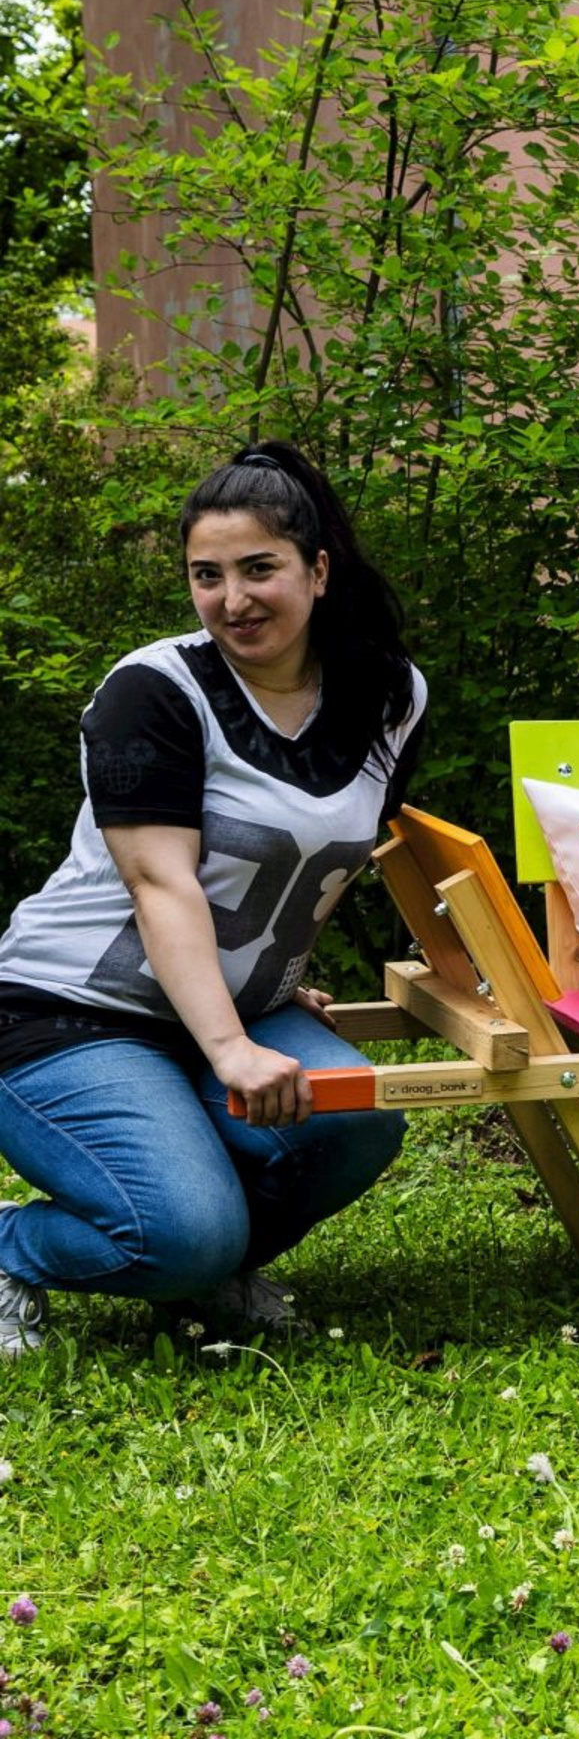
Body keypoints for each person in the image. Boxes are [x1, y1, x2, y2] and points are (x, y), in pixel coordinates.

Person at [0, 444, 426, 1354]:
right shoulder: (152, 692)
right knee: (181, 1230)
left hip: (228, 1007)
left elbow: (328, 851)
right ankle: (20, 1247)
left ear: (316, 571)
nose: (233, 600)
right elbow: (162, 885)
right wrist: (230, 1045)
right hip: (68, 1012)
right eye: (207, 575)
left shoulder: (389, 693)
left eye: (258, 569)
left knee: (358, 1122)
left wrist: (272, 972)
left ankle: (210, 1262)